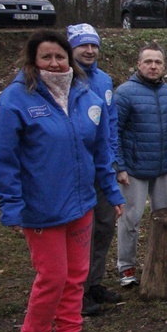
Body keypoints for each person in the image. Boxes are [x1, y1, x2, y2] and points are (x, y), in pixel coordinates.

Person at [0, 30, 124, 332]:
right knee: (52, 277)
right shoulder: (15, 100)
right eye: (46, 57)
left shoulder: (85, 95)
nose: (54, 63)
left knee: (76, 276)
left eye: (59, 56)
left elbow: (100, 151)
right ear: (33, 60)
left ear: (69, 59)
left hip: (81, 204)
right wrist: (11, 205)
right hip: (42, 207)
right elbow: (4, 159)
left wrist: (111, 191)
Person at [114, 43, 167, 286]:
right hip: (134, 170)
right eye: (148, 61)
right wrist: (120, 166)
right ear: (138, 64)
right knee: (131, 219)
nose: (153, 66)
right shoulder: (124, 93)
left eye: (158, 62)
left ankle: (165, 261)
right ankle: (126, 268)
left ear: (163, 66)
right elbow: (113, 133)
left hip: (163, 168)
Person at [66, 23, 121, 316]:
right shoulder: (64, 81)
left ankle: (93, 282)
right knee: (79, 232)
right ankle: (77, 292)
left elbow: (110, 123)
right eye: (82, 45)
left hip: (102, 168)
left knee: (104, 225)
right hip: (74, 171)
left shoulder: (104, 80)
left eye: (93, 45)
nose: (89, 51)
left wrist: (112, 160)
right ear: (71, 48)